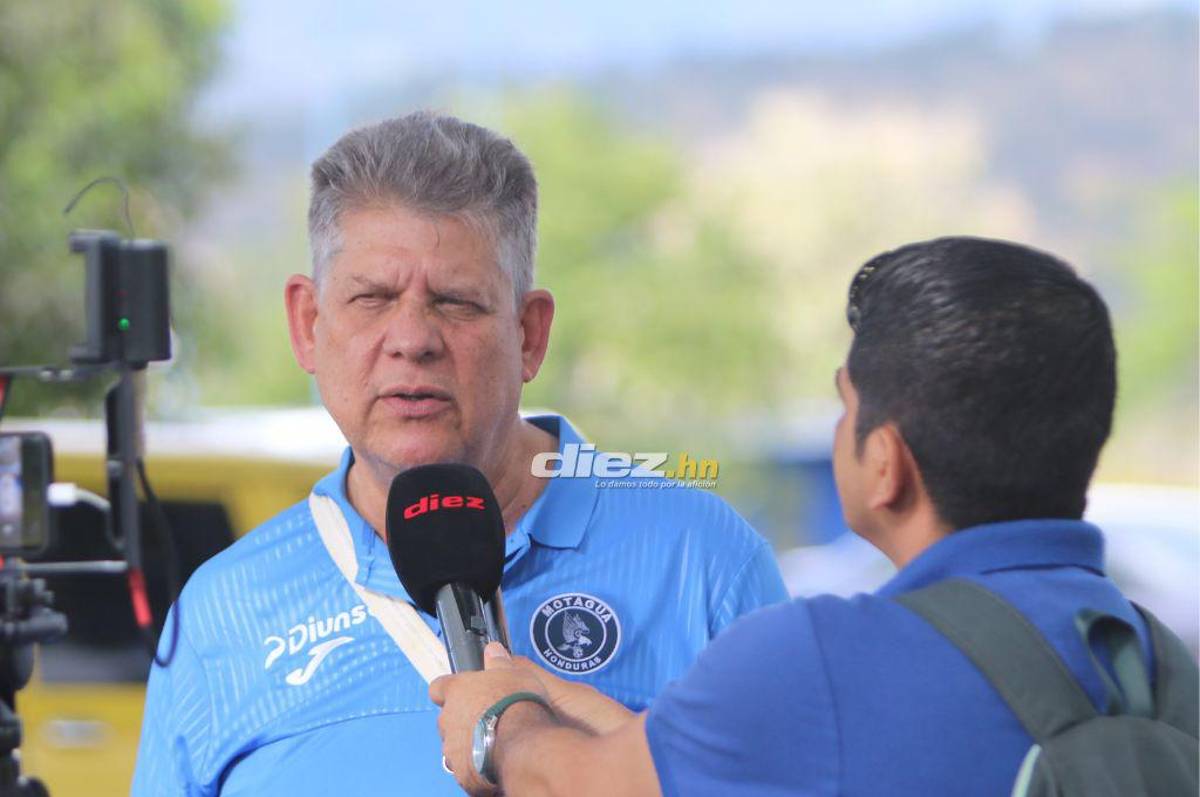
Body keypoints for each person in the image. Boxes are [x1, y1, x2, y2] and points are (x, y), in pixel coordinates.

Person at [130, 112, 786, 795]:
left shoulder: (702, 562)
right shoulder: (223, 609)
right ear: (308, 323)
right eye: (373, 298)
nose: (412, 338)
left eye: (455, 302)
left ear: (529, 335)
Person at [432, 236, 1191, 796]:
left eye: (845, 404)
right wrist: (562, 697)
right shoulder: (1158, 666)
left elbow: (589, 785)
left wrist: (507, 728)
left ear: (887, 464)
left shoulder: (818, 657)